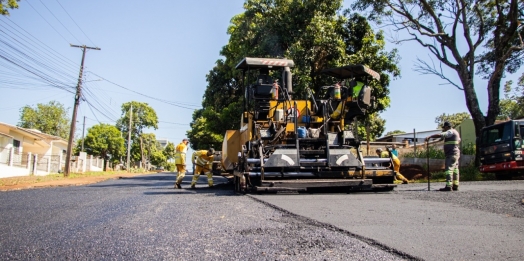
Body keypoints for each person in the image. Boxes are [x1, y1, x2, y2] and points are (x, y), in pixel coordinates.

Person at [425, 121, 461, 191]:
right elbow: (442, 139)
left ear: (447, 127)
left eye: (444, 127)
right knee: (455, 170)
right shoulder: (456, 132)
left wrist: (430, 136)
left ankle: (448, 186)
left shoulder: (450, 132)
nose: (444, 129)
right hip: (455, 154)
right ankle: (455, 185)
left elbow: (441, 135)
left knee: (449, 170)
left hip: (451, 154)